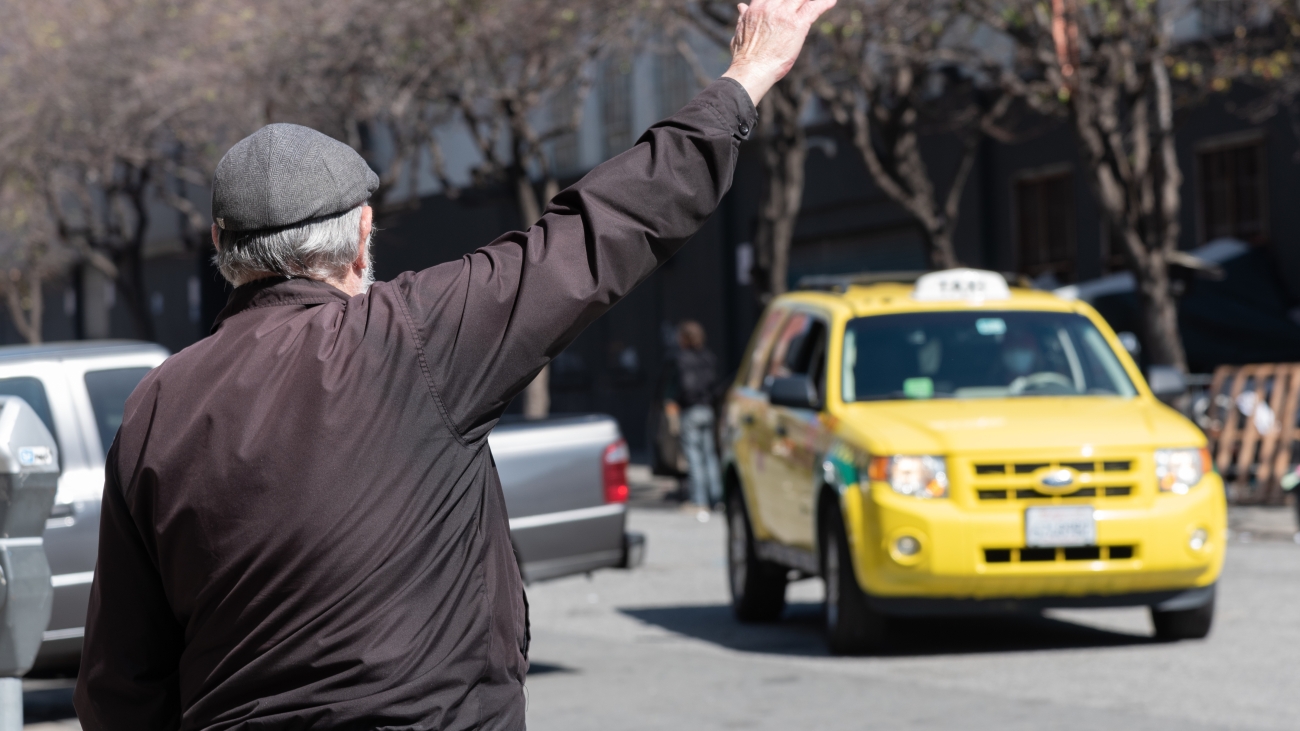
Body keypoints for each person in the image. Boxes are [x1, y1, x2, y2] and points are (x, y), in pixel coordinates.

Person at [72, 1, 835, 729]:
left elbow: (119, 683)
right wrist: (746, 77)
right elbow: (609, 224)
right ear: (363, 234)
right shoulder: (419, 335)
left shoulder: (156, 407)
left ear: (218, 244)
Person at [663, 321, 723, 519]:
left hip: (690, 411)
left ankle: (700, 500)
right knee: (710, 456)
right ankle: (717, 498)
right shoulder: (709, 357)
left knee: (695, 458)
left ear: (685, 339)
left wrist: (672, 405)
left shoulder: (680, 360)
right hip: (708, 410)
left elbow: (676, 388)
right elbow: (715, 386)